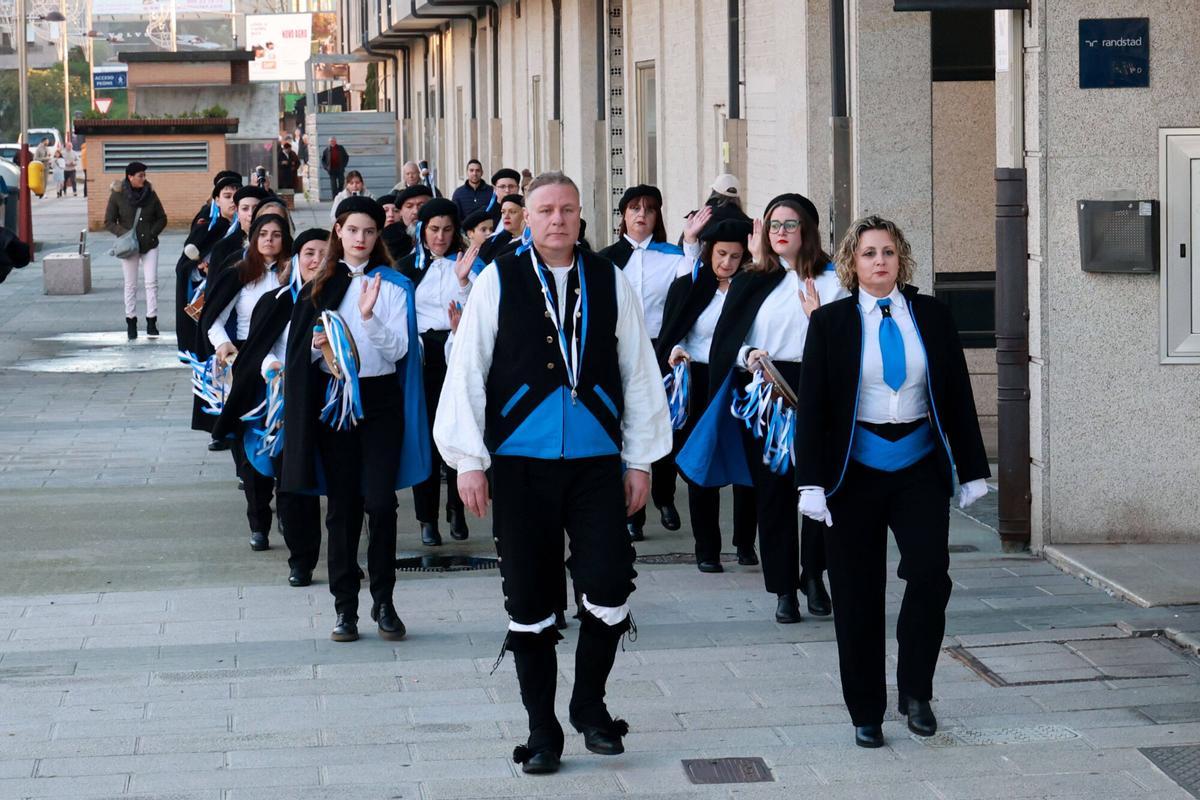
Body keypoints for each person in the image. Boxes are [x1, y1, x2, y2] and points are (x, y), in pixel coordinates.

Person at [434, 171, 672, 775]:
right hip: (517, 466)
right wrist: (468, 460)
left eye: (567, 209)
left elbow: (639, 372)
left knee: (611, 580)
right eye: (545, 210)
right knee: (531, 597)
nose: (557, 220)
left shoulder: (608, 280)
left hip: (595, 462)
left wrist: (640, 457)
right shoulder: (498, 280)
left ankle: (589, 704)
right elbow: (467, 369)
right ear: (527, 218)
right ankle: (543, 731)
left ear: (581, 217)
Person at [796, 215, 990, 749]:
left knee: (930, 575)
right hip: (851, 471)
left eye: (887, 252)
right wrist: (809, 482)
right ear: (851, 264)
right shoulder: (831, 323)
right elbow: (812, 409)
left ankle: (917, 693)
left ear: (901, 258)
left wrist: (972, 468)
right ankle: (865, 710)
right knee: (857, 592)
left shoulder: (931, 315)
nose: (879, 261)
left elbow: (955, 395)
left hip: (917, 465)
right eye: (868, 254)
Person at [281, 196, 428, 643]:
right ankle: (345, 607)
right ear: (338, 233)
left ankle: (384, 600)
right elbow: (299, 355)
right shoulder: (318, 288)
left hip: (380, 402)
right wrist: (315, 345)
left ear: (377, 235)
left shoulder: (395, 285)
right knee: (341, 508)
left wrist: (369, 318)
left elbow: (400, 351)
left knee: (381, 503)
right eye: (353, 231)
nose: (361, 239)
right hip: (333, 403)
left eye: (369, 231)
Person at [703, 193, 846, 624]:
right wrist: (748, 356)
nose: (780, 233)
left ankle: (814, 575)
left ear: (807, 230)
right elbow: (726, 342)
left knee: (818, 490)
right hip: (766, 392)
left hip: (819, 389)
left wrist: (820, 319)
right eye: (773, 225)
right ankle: (784, 587)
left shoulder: (835, 280)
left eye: (789, 224)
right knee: (773, 494)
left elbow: (848, 344)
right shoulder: (750, 280)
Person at [213, 227, 329, 584]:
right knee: (292, 482)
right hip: (284, 402)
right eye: (309, 252)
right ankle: (301, 558)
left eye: (325, 254)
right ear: (296, 259)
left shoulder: (343, 299)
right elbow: (261, 351)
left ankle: (342, 555)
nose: (317, 260)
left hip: (331, 401)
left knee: (341, 485)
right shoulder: (276, 300)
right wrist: (272, 367)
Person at [597, 185, 708, 541]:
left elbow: (690, 282)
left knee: (662, 421)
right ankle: (633, 511)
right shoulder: (607, 259)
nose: (641, 214)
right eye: (634, 208)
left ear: (658, 216)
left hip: (662, 349)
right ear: (623, 216)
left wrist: (691, 241)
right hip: (618, 349)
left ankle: (663, 495)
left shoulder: (672, 256)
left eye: (649, 208)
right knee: (626, 424)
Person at [656, 213, 758, 573]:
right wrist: (676, 350)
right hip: (698, 381)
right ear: (708, 253)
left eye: (734, 256)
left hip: (741, 381)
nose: (726, 262)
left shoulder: (752, 291)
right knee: (701, 464)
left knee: (748, 462)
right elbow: (675, 330)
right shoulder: (689, 287)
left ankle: (745, 542)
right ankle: (706, 549)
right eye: (720, 255)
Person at [200, 214, 290, 551]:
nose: (269, 240)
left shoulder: (292, 272)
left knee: (285, 443)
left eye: (276, 234)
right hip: (248, 367)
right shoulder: (239, 273)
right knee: (252, 445)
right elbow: (215, 320)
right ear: (252, 238)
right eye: (263, 234)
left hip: (284, 366)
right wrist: (224, 345)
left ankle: (287, 509)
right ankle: (258, 521)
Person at [395, 197, 477, 546]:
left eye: (446, 230)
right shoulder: (406, 267)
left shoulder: (471, 265)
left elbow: (481, 310)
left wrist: (462, 282)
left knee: (458, 434)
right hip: (422, 359)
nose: (440, 237)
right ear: (422, 231)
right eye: (433, 230)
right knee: (425, 438)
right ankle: (427, 517)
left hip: (458, 353)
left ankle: (457, 509)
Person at [174, 174, 240, 350]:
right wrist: (201, 269)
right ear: (216, 200)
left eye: (237, 196)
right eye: (227, 196)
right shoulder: (207, 228)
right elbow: (184, 267)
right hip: (213, 299)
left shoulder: (246, 229)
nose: (233, 201)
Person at [104, 162, 167, 340]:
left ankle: (151, 321)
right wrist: (125, 235)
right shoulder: (118, 195)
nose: (143, 178)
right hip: (129, 246)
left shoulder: (151, 194)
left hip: (149, 245)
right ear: (130, 177)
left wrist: (152, 233)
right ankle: (131, 322)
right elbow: (108, 221)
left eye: (144, 175)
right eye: (140, 175)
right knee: (130, 285)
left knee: (151, 283)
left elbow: (162, 217)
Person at [480, 194, 525, 264]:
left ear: (525, 214)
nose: (506, 216)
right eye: (503, 212)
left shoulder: (530, 242)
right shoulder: (494, 240)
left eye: (512, 212)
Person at [277, 140, 300, 209]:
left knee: (290, 190)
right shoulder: (279, 154)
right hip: (282, 175)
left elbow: (298, 163)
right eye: (287, 149)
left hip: (291, 175)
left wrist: (294, 167)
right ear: (284, 149)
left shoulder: (293, 153)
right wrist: (281, 163)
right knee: (283, 190)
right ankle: (283, 204)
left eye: (290, 149)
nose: (289, 151)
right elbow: (276, 163)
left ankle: (290, 204)